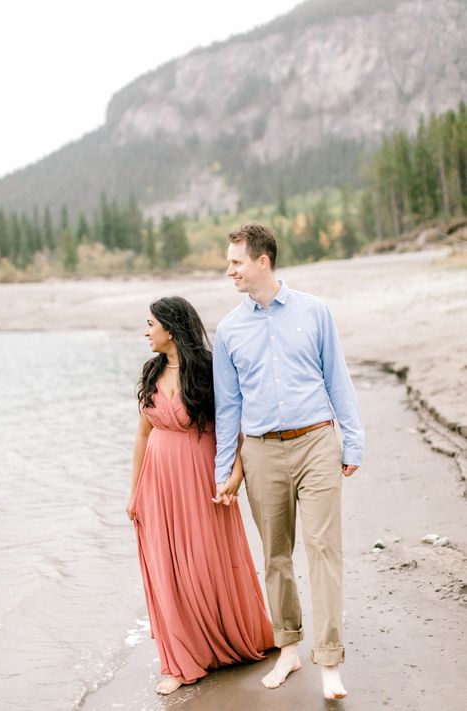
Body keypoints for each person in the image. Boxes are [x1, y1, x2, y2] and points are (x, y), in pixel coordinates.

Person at [212, 224, 364, 700]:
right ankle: (288, 647)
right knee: (276, 555)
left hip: (317, 442)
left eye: (236, 261)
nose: (229, 270)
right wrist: (225, 470)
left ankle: (330, 661)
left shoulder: (314, 312)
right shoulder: (228, 330)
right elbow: (227, 409)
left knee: (323, 552)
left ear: (262, 261)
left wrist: (352, 441)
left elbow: (337, 378)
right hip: (260, 452)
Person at [126, 296, 273, 695]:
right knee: (166, 567)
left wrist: (233, 480)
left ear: (171, 329)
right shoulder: (152, 371)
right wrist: (135, 490)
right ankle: (178, 660)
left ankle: (222, 640)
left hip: (201, 479)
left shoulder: (209, 371)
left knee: (206, 562)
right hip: (158, 482)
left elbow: (237, 434)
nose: (146, 331)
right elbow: (143, 435)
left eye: (150, 324)